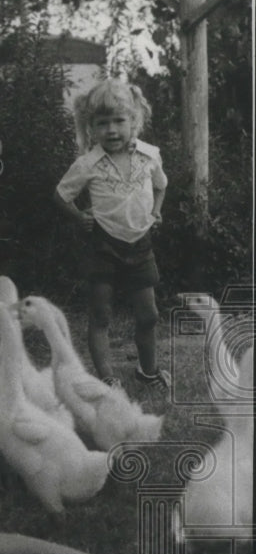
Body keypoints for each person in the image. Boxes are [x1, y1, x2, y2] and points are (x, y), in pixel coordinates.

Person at [54, 78, 170, 398]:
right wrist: (80, 217)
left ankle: (147, 371)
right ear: (91, 127)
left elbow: (161, 185)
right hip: (103, 246)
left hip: (140, 244)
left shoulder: (149, 155)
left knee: (149, 315)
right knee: (100, 313)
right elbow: (61, 195)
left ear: (134, 120)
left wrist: (157, 212)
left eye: (119, 120)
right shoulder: (88, 163)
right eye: (102, 123)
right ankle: (106, 378)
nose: (112, 130)